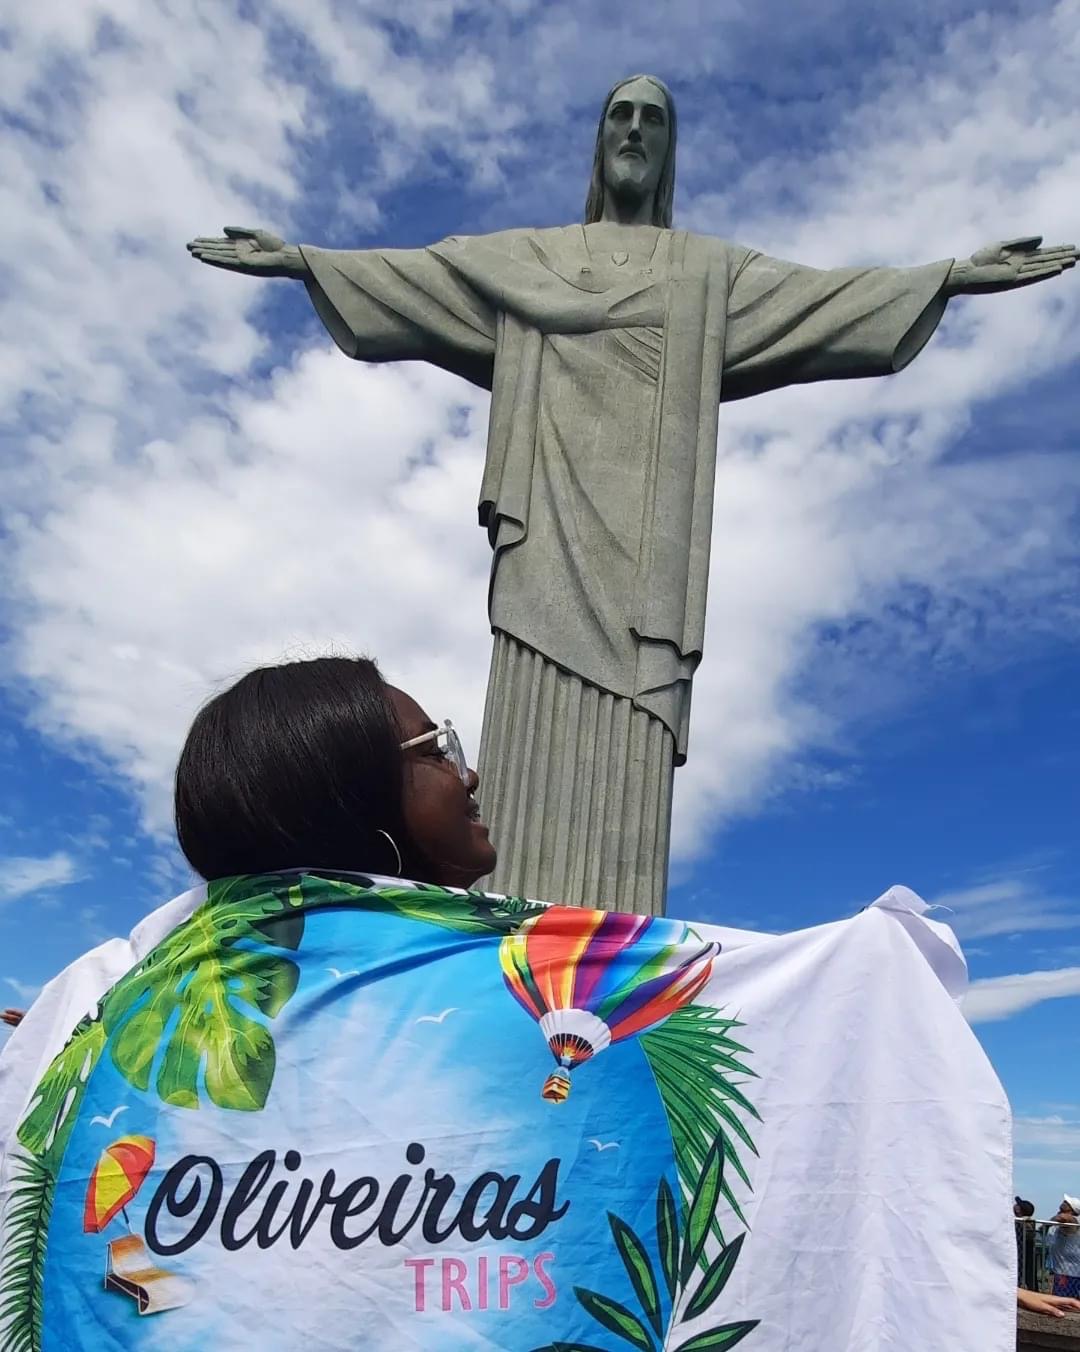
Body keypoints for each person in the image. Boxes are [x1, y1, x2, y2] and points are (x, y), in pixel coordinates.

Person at [187, 76, 1077, 917]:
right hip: (545, 544)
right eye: (622, 117)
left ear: (670, 151)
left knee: (627, 751)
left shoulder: (706, 275)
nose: (636, 133)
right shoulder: (529, 260)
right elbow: (423, 279)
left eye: (654, 121)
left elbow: (824, 300)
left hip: (647, 565)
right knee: (530, 730)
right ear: (599, 141)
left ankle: (601, 969)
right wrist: (304, 261)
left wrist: (950, 275)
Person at [174, 655, 496, 887]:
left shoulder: (175, 973)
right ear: (351, 799)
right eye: (434, 752)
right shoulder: (504, 971)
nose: (470, 776)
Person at [1048, 1196, 1080, 1299]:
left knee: (1065, 1302)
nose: (1063, 1202)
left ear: (1072, 1209)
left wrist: (1050, 1221)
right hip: (1061, 1269)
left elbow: (1064, 1218)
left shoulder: (1075, 1220)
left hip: (1069, 1271)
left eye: (1066, 1203)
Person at [1015, 1195, 1037, 1289]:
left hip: (1023, 1253)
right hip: (1019, 1252)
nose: (1015, 1205)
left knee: (1027, 1274)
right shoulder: (1017, 1221)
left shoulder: (1028, 1222)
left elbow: (1030, 1235)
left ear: (1019, 1210)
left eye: (1017, 1205)